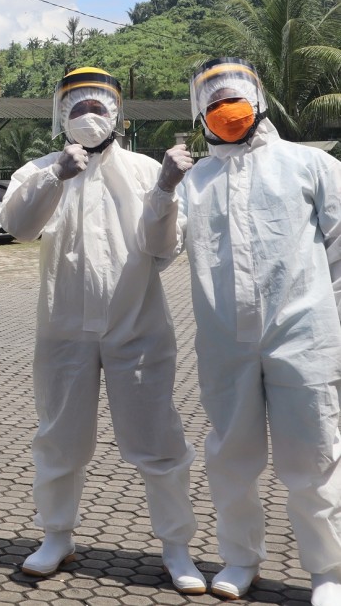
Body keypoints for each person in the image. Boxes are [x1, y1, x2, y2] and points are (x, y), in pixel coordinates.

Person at [141, 58, 341, 604]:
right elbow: (158, 250)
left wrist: (334, 326)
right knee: (231, 455)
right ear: (198, 113)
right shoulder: (194, 182)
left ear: (260, 99)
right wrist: (162, 188)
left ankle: (328, 572)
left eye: (236, 96)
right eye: (213, 98)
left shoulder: (311, 165)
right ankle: (240, 558)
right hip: (225, 340)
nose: (227, 108)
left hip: (305, 333)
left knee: (314, 456)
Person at [0, 68, 203, 592]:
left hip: (137, 327)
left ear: (118, 114)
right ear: (60, 117)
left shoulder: (142, 171)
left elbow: (163, 250)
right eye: (76, 106)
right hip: (64, 329)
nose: (88, 115)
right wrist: (55, 177)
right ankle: (57, 536)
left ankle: (177, 548)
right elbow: (18, 227)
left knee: (157, 439)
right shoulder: (38, 170)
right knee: (58, 438)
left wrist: (164, 189)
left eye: (98, 105)